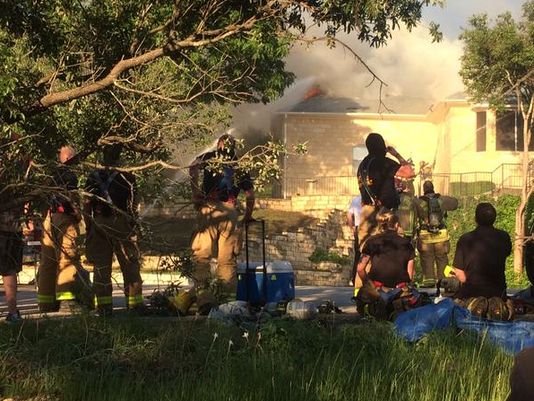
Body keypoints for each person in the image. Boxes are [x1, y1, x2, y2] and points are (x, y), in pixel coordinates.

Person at [187, 133, 255, 315]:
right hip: (230, 213)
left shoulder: (210, 157)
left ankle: (204, 303)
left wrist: (196, 192)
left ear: (219, 145)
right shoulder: (239, 164)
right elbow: (250, 195)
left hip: (208, 210)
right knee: (227, 260)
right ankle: (228, 307)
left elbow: (192, 167)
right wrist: (247, 217)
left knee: (201, 258)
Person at [84, 144, 143, 316]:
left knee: (101, 267)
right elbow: (134, 204)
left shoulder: (93, 177)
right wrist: (133, 225)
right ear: (120, 156)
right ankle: (134, 305)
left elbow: (87, 205)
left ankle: (104, 308)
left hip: (100, 222)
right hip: (122, 222)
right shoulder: (128, 177)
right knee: (130, 264)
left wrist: (89, 227)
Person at [38, 146, 91, 313]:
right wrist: (77, 214)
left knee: (48, 262)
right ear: (69, 157)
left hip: (48, 219)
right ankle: (67, 302)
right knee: (67, 257)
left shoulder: (50, 175)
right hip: (63, 219)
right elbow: (69, 198)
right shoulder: (69, 175)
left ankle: (46, 303)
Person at [355, 209, 421, 319]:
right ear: (396, 225)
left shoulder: (372, 242)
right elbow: (410, 275)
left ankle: (373, 313)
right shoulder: (406, 244)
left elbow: (360, 268)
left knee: (363, 298)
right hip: (400, 290)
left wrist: (368, 283)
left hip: (376, 289)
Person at [451, 202, 513, 319]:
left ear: (475, 219)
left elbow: (459, 272)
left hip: (471, 293)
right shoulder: (504, 237)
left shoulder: (465, 239)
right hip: (498, 292)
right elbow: (505, 254)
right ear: (494, 218)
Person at [356, 132, 409, 247]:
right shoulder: (384, 162)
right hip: (384, 214)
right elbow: (409, 172)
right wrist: (396, 154)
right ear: (382, 145)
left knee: (366, 252)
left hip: (366, 214)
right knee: (389, 252)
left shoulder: (362, 166)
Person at [415, 180, 458, 287]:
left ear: (424, 190)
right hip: (441, 236)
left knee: (427, 261)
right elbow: (455, 203)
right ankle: (444, 284)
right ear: (433, 188)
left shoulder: (418, 202)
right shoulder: (441, 199)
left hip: (425, 238)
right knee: (443, 260)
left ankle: (429, 285)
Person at [347, 195, 362, 286]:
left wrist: (352, 228)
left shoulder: (355, 199)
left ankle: (354, 279)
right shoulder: (373, 197)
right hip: (368, 228)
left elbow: (349, 215)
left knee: (358, 254)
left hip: (358, 227)